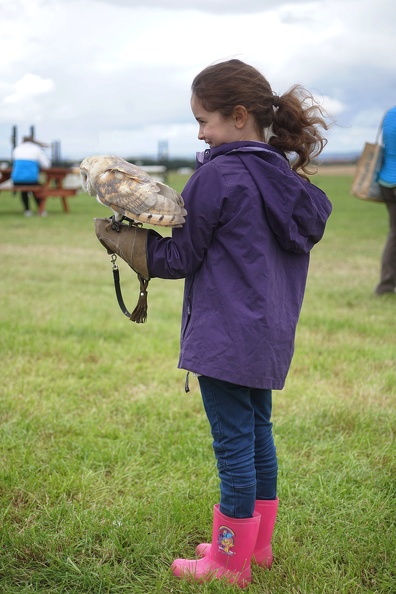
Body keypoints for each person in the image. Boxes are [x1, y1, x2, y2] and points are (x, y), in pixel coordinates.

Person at [95, 58, 332, 587]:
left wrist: (128, 243)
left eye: (204, 120)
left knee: (232, 445)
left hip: (225, 338)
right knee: (257, 435)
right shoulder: (286, 179)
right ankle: (258, 546)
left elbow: (180, 259)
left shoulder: (217, 175)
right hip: (268, 336)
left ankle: (228, 561)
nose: (200, 132)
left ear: (240, 116)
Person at [375, 106, 396, 295]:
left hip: (387, 181)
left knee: (394, 234)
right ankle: (386, 286)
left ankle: (386, 285)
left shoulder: (389, 113)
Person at [11, 136, 51, 216]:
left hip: (16, 180)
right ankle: (41, 210)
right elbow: (46, 165)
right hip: (31, 180)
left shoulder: (17, 149)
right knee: (38, 189)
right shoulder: (36, 149)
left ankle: (27, 210)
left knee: (24, 190)